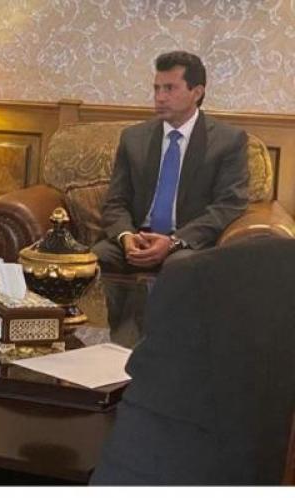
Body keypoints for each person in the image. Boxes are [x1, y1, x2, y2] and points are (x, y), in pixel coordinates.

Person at [91, 237, 295, 484]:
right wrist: (125, 236)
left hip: (185, 247)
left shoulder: (209, 281)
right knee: (99, 254)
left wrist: (174, 242)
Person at [93, 51, 248, 272]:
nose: (160, 97)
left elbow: (229, 205)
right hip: (137, 237)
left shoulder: (228, 141)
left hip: (187, 242)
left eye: (169, 88)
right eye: (157, 88)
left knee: (180, 266)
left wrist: (174, 242)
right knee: (95, 258)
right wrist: (126, 236)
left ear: (197, 92)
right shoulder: (133, 138)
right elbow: (115, 202)